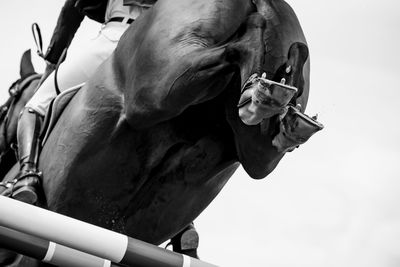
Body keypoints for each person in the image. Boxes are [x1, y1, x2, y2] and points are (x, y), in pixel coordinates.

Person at [1, 0, 155, 204]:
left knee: (34, 106)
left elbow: (70, 13)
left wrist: (52, 61)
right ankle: (183, 221)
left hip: (115, 38)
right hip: (153, 46)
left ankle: (27, 176)